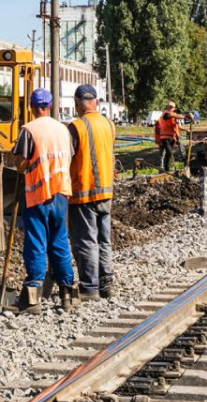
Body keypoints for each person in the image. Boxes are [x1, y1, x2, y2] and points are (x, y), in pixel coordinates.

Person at [12, 88, 77, 313]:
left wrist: (23, 166)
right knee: (59, 242)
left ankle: (32, 297)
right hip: (61, 193)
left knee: (36, 243)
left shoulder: (28, 130)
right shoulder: (63, 129)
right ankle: (67, 294)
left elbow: (20, 162)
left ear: (31, 107)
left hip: (38, 195)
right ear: (49, 106)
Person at [67, 85, 117, 301]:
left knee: (86, 240)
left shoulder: (76, 126)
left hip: (84, 193)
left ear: (77, 103)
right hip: (106, 192)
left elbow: (68, 158)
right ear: (96, 102)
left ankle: (89, 288)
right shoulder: (109, 124)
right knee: (104, 240)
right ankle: (107, 284)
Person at [153, 102, 184, 172]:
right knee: (168, 153)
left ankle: (166, 169)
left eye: (173, 107)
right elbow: (171, 114)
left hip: (172, 138)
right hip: (164, 138)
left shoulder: (173, 117)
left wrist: (178, 135)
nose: (172, 109)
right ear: (168, 107)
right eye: (171, 107)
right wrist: (184, 116)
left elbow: (176, 126)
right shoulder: (166, 113)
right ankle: (165, 167)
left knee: (168, 154)